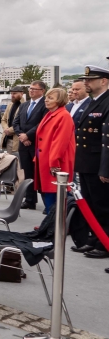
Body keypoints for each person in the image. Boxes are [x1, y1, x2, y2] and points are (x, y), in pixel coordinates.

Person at [74, 66, 109, 259]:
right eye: (86, 80)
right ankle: (95, 239)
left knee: (102, 206)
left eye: (90, 80)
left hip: (98, 164)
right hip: (87, 163)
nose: (86, 83)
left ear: (103, 81)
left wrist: (105, 169)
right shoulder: (93, 102)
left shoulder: (106, 102)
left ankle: (105, 244)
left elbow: (107, 141)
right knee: (90, 204)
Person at [34, 87, 74, 215]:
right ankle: (50, 224)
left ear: (60, 100)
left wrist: (54, 163)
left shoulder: (63, 116)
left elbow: (60, 142)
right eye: (46, 97)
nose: (46, 100)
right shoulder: (50, 114)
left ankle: (56, 226)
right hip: (45, 159)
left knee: (55, 193)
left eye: (50, 98)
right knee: (48, 192)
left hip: (55, 162)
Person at [13, 80, 48, 210]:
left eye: (34, 89)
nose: (31, 91)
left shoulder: (45, 104)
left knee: (39, 173)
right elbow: (16, 122)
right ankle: (30, 200)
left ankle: (47, 204)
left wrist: (28, 135)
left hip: (36, 144)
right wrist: (22, 136)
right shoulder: (24, 105)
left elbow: (42, 124)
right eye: (30, 88)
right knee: (27, 173)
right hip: (24, 145)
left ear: (42, 91)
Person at [0, 86, 25, 153]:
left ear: (21, 94)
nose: (12, 95)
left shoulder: (25, 105)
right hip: (7, 139)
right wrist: (6, 129)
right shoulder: (10, 105)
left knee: (18, 161)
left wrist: (10, 130)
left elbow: (23, 122)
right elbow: (3, 119)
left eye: (14, 93)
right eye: (11, 93)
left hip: (18, 140)